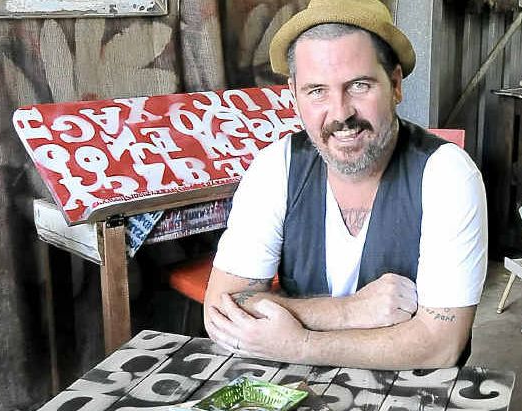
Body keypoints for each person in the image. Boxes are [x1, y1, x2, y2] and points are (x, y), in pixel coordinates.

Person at [203, 0, 487, 370]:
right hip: (292, 389)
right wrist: (350, 311)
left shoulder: (447, 174)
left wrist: (299, 343)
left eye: (359, 85)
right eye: (316, 90)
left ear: (395, 85)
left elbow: (440, 345)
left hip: (411, 395)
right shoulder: (276, 167)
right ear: (294, 95)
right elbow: (222, 310)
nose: (340, 114)